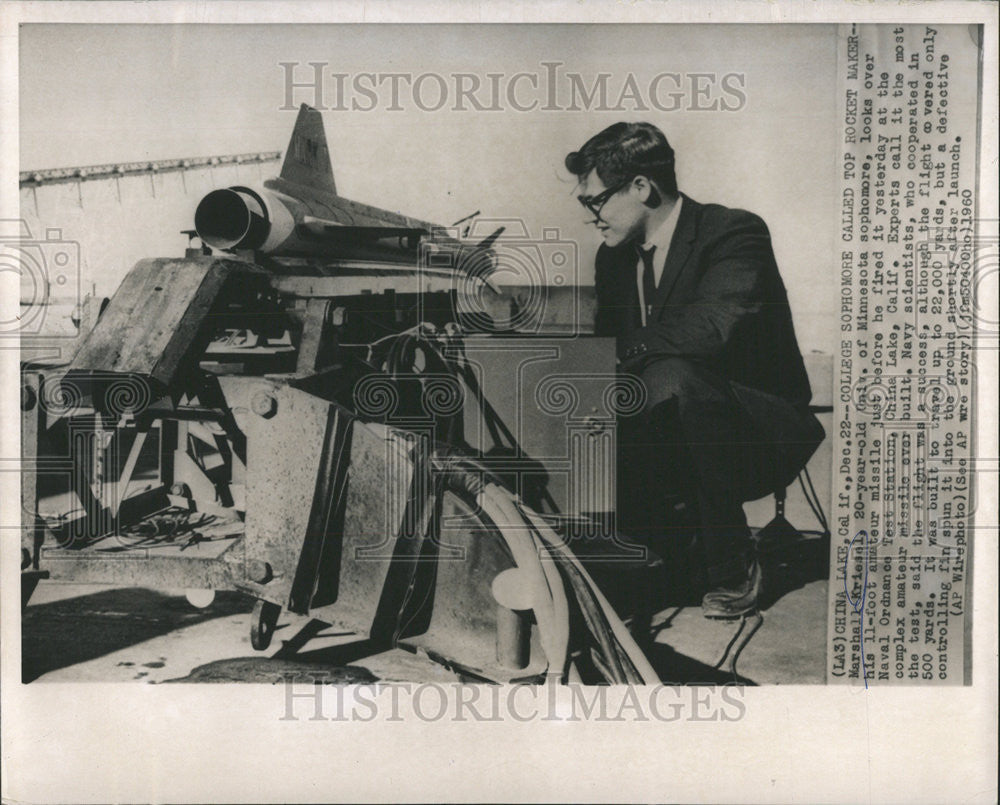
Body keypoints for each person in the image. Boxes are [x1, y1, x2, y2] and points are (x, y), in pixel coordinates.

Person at [565, 122, 824, 618]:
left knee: (669, 379)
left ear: (641, 187)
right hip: (676, 417)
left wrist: (612, 358)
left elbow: (711, 328)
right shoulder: (613, 259)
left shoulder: (733, 231)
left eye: (594, 202)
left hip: (758, 431)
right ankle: (646, 550)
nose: (590, 218)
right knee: (598, 389)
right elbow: (613, 347)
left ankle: (733, 562)